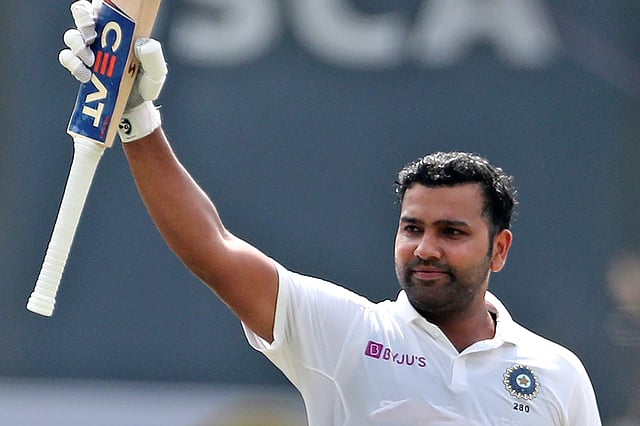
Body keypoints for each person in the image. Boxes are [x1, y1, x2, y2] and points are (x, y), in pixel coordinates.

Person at [59, 2, 601, 424]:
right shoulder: (349, 336)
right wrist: (136, 117)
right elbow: (214, 249)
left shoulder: (556, 374)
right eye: (412, 228)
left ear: (498, 249)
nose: (426, 248)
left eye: (452, 232)